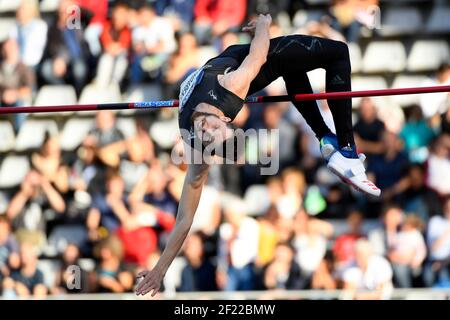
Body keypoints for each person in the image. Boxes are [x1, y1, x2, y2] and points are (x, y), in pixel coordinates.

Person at [135, 14, 380, 296]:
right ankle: (346, 149)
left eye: (212, 128)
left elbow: (183, 220)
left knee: (293, 66)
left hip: (241, 61)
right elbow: (184, 220)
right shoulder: (231, 90)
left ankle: (325, 137)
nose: (211, 127)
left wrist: (159, 269)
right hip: (258, 58)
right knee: (339, 52)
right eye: (217, 131)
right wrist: (263, 25)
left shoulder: (194, 140)